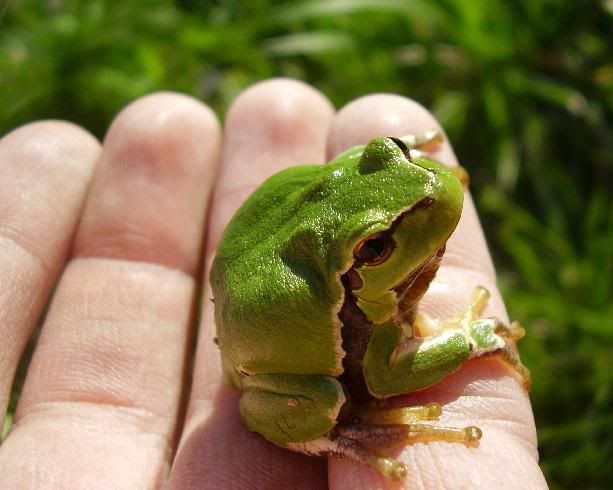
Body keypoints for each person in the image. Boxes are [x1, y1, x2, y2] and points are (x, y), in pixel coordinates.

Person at [0, 78, 548, 489]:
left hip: (257, 287)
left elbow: (350, 175)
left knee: (374, 195)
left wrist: (387, 165)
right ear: (362, 265)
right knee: (327, 400)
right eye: (378, 247)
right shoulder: (363, 307)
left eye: (392, 153)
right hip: (283, 375)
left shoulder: (348, 198)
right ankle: (334, 434)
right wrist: (471, 341)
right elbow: (384, 377)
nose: (434, 189)